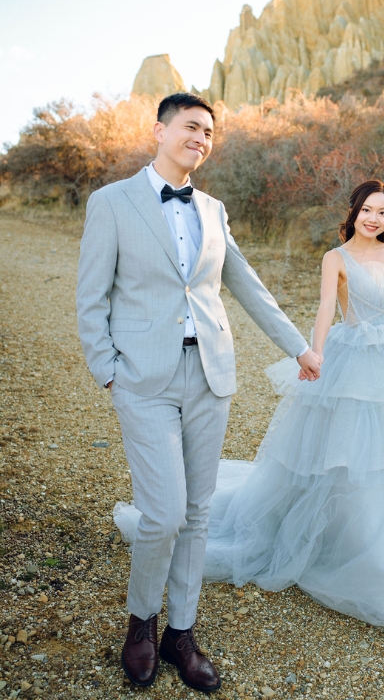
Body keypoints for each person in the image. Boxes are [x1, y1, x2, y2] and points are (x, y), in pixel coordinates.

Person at [114, 179, 384, 630]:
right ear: (354, 211)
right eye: (368, 210)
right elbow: (324, 310)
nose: (375, 219)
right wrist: (313, 355)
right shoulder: (334, 259)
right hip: (353, 356)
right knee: (351, 453)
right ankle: (359, 551)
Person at [78, 92, 323, 693]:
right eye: (191, 127)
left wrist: (299, 348)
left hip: (210, 376)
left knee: (197, 512)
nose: (201, 139)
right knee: (161, 513)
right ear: (159, 130)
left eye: (209, 132)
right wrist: (108, 368)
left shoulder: (213, 209)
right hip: (143, 378)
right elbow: (91, 297)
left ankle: (180, 633)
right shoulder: (111, 203)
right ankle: (141, 623)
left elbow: (248, 285)